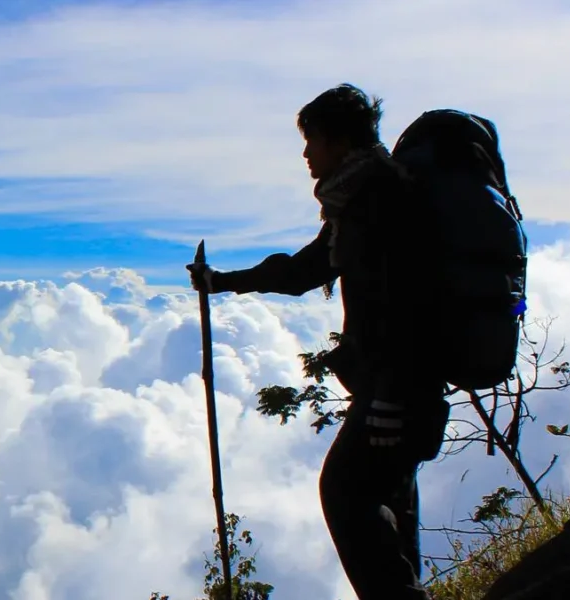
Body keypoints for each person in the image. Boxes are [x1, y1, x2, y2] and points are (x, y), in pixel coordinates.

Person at [187, 83, 449, 600]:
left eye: (313, 141)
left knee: (345, 491)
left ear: (340, 141)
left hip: (396, 390)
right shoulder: (364, 199)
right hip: (404, 389)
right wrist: (223, 281)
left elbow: (405, 300)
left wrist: (390, 393)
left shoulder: (379, 200)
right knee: (390, 505)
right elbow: (304, 271)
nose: (306, 154)